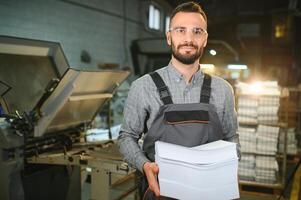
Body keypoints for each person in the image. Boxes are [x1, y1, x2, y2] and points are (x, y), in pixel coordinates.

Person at [118, 1, 240, 199]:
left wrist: (231, 168)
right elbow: (126, 137)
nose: (189, 39)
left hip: (211, 192)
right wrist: (144, 165)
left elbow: (231, 137)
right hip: (161, 191)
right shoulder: (143, 87)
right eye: (181, 30)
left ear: (205, 39)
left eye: (197, 31)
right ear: (169, 37)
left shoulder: (223, 90)